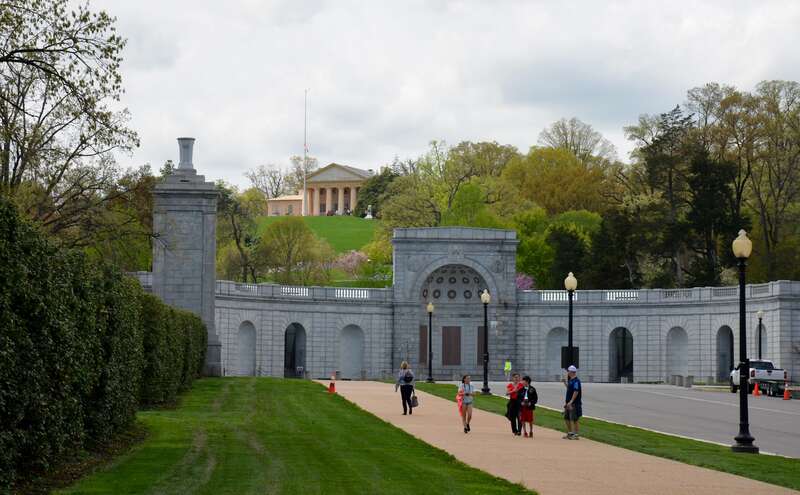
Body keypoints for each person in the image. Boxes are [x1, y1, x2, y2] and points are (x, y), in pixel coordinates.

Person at [563, 365, 582, 439]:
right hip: (568, 402)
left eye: (568, 371)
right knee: (566, 418)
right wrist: (565, 383)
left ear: (572, 372)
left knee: (574, 419)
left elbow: (576, 391)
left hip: (574, 403)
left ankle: (576, 434)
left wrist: (571, 401)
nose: (567, 373)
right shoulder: (571, 380)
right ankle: (570, 433)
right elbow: (570, 388)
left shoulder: (576, 381)